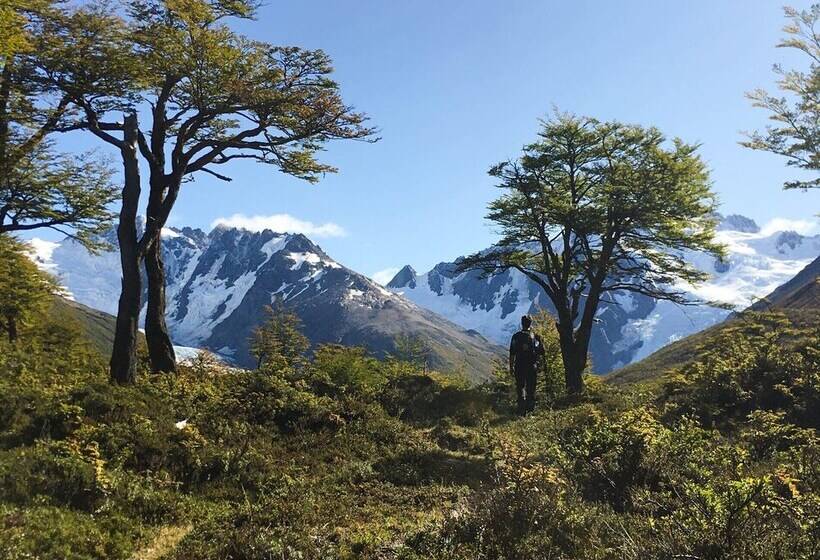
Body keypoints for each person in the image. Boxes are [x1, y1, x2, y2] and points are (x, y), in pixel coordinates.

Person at [509, 314, 544, 414]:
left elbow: (512, 353)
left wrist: (511, 367)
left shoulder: (516, 337)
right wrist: (540, 366)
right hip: (532, 366)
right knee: (531, 388)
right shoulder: (536, 337)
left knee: (520, 387)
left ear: (522, 323)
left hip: (519, 365)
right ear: (530, 323)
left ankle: (521, 409)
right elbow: (541, 353)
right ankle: (530, 410)